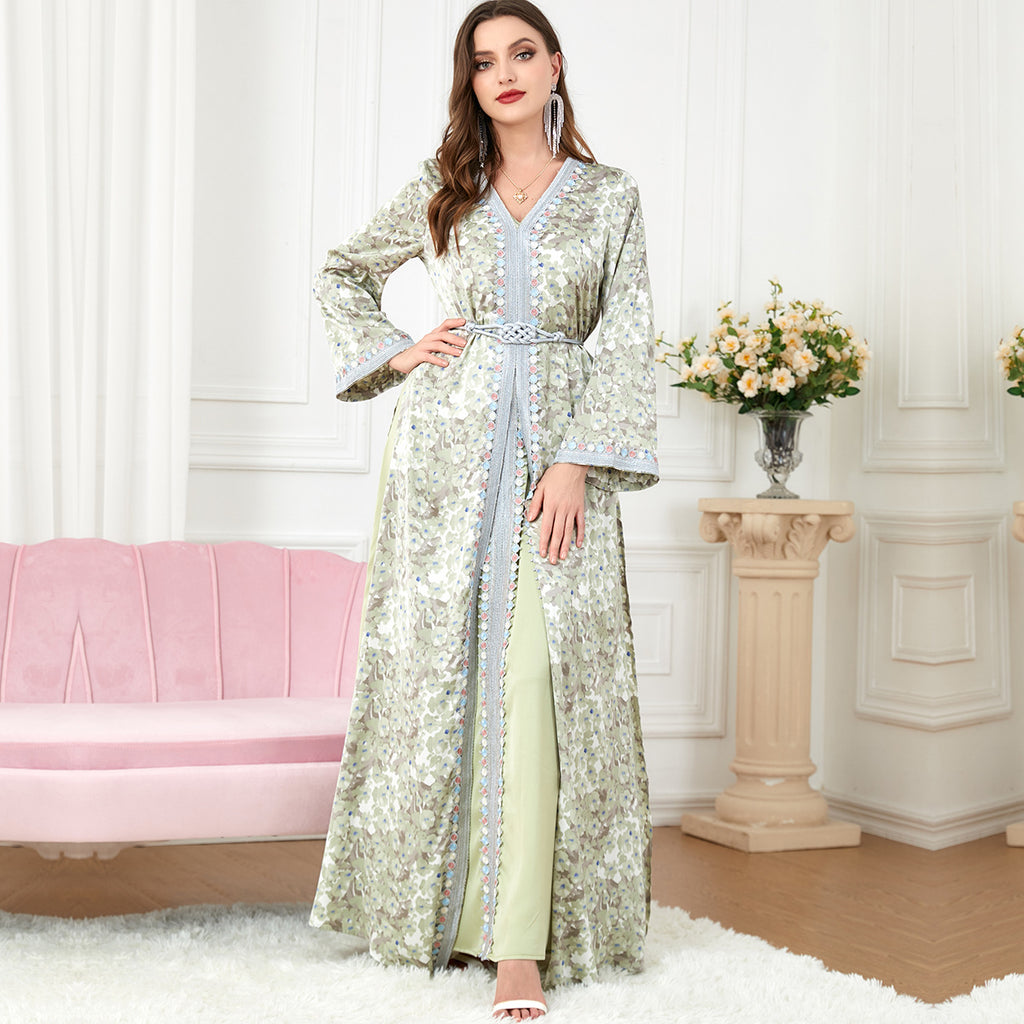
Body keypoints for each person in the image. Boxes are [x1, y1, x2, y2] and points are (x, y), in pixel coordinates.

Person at [309, 2, 658, 1018]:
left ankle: (520, 944)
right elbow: (342, 272)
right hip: (444, 459)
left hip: (556, 458)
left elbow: (626, 335)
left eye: (521, 53)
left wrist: (578, 462)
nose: (503, 73)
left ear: (555, 65)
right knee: (443, 676)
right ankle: (441, 914)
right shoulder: (445, 185)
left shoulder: (609, 197)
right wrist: (399, 352)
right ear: (470, 81)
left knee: (540, 678)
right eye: (483, 61)